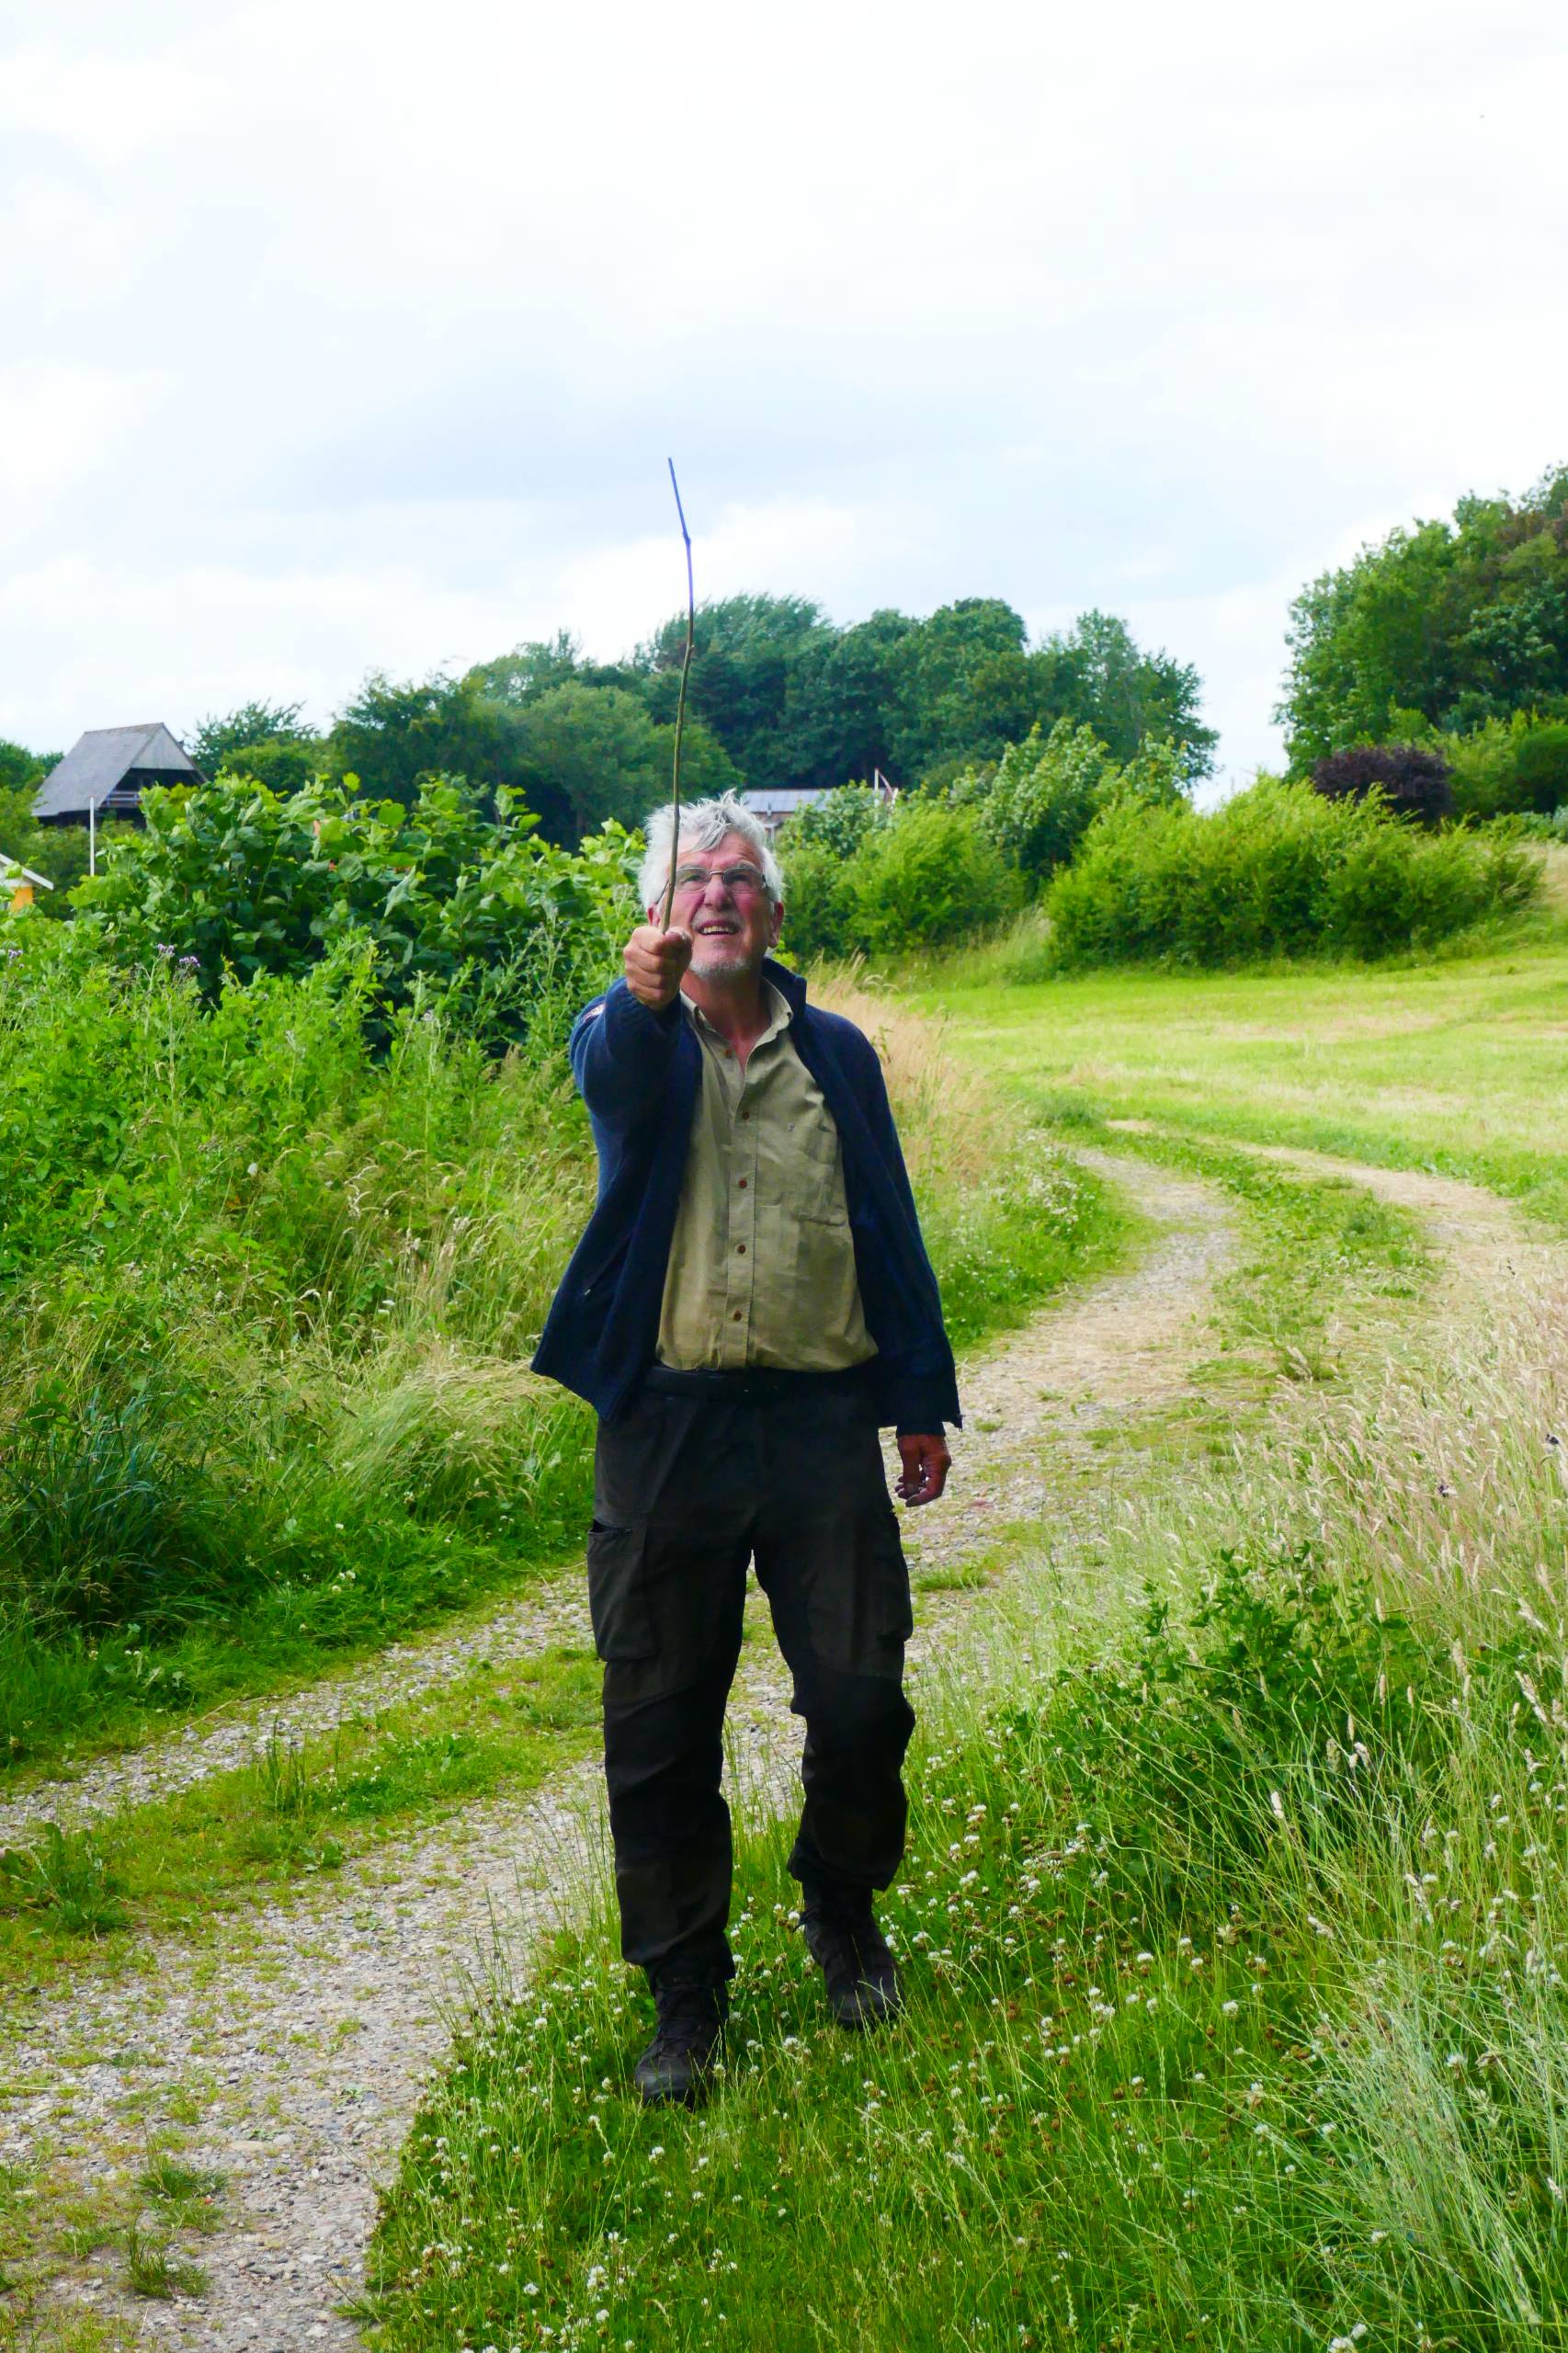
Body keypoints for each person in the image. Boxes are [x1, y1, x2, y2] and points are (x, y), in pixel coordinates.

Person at [533, 790, 960, 2105]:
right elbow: (614, 1074)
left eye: (737, 878)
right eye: (691, 880)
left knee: (861, 1697)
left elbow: (886, 1222)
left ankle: (841, 1911)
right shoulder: (627, 1034)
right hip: (666, 1427)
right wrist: (642, 997)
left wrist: (918, 1397)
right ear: (656, 917)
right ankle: (685, 1992)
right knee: (659, 1720)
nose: (715, 895)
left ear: (772, 913)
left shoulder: (836, 1054)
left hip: (820, 1424)